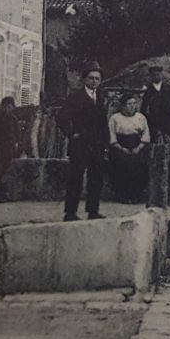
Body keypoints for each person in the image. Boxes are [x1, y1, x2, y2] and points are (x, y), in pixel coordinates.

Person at [61, 63, 109, 221]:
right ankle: (70, 213)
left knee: (96, 178)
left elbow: (103, 122)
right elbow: (61, 117)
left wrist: (105, 143)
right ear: (84, 79)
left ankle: (93, 211)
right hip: (80, 144)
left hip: (97, 145)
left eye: (97, 79)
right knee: (75, 178)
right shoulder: (75, 97)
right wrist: (71, 133)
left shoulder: (101, 97)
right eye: (91, 78)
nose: (94, 81)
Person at [107, 93, 151, 204]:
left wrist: (139, 147)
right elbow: (112, 136)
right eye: (129, 104)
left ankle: (136, 194)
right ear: (122, 106)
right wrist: (122, 149)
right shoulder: (115, 118)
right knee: (121, 166)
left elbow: (146, 135)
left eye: (134, 103)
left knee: (139, 165)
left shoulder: (140, 117)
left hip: (137, 145)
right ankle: (122, 195)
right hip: (120, 146)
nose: (132, 106)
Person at [141, 65, 170, 142]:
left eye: (158, 74)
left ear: (161, 75)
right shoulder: (147, 89)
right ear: (151, 76)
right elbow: (144, 105)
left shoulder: (168, 88)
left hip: (168, 118)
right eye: (154, 75)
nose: (156, 76)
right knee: (155, 140)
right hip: (153, 119)